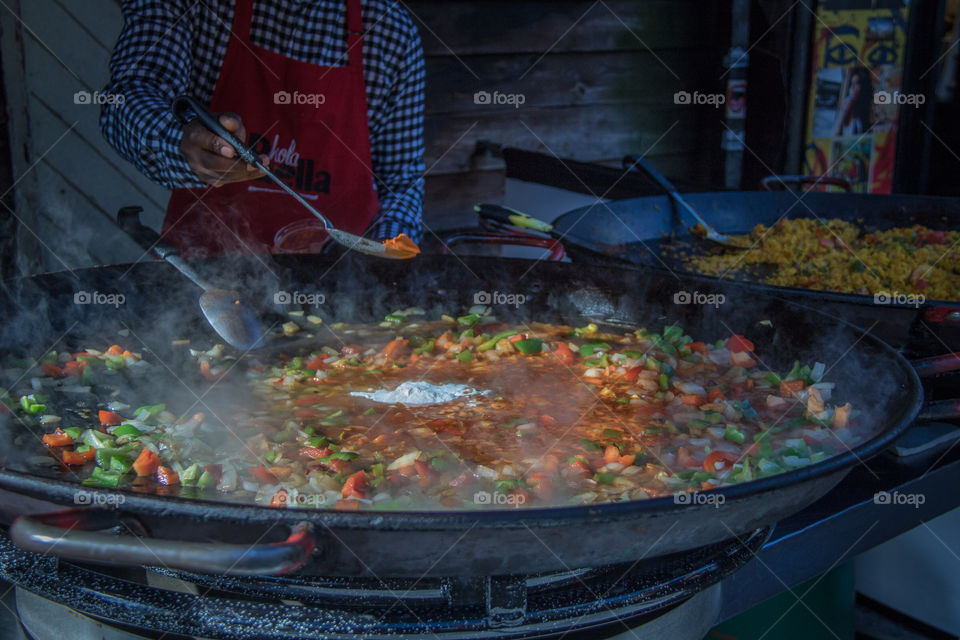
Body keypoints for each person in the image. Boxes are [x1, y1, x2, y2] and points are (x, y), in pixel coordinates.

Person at [101, 0, 424, 256]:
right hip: (207, 287)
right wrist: (180, 141)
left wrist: (385, 253)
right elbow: (128, 96)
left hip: (339, 292)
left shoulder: (390, 30)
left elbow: (400, 180)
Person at [834, 67, 874, 137]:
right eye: (852, 84)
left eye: (856, 83)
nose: (853, 87)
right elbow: (838, 132)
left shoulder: (868, 106)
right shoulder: (847, 104)